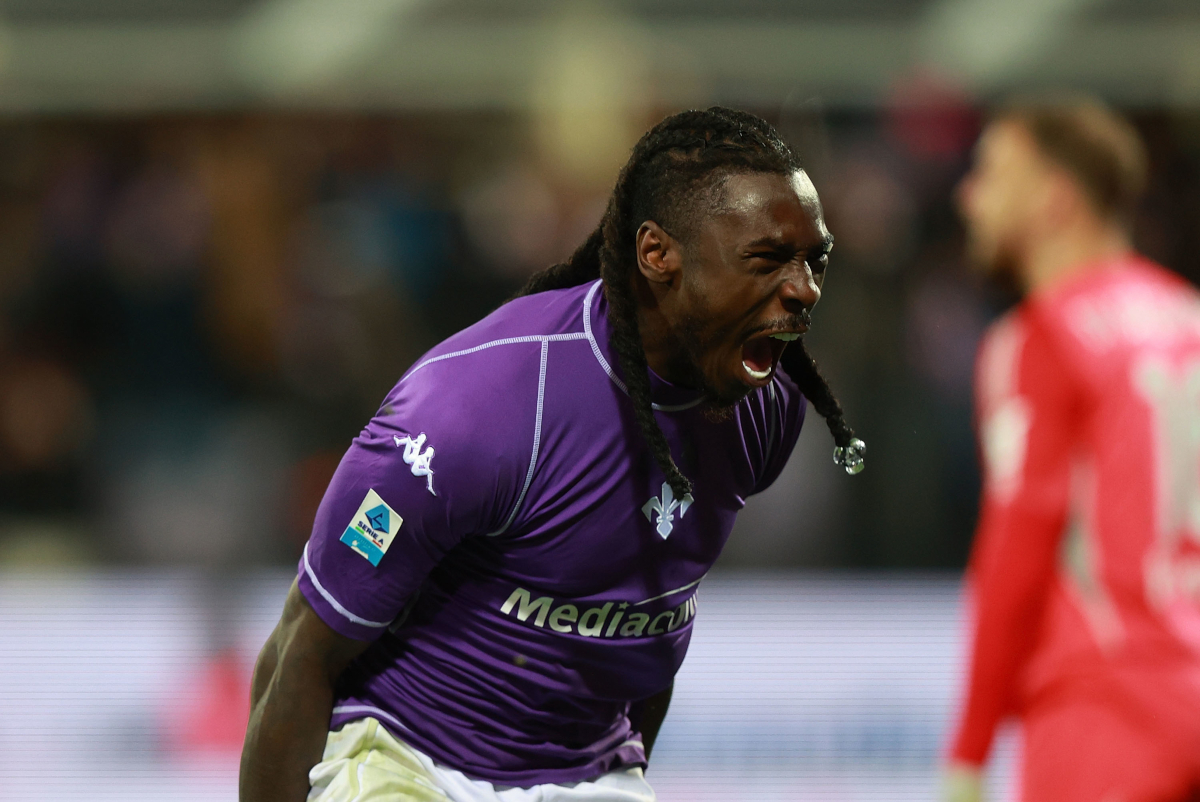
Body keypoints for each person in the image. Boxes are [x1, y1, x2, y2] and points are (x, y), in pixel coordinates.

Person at [240, 107, 864, 802]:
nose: (804, 288)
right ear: (657, 254)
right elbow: (299, 653)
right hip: (404, 757)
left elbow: (649, 620)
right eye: (768, 258)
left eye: (815, 260)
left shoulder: (764, 409)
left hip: (586, 773)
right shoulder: (478, 410)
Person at [944, 99, 1200, 802]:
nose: (969, 197)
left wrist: (969, 750)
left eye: (992, 174)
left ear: (1056, 199)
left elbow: (1018, 548)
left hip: (1106, 704)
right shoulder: (1187, 319)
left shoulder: (1043, 339)